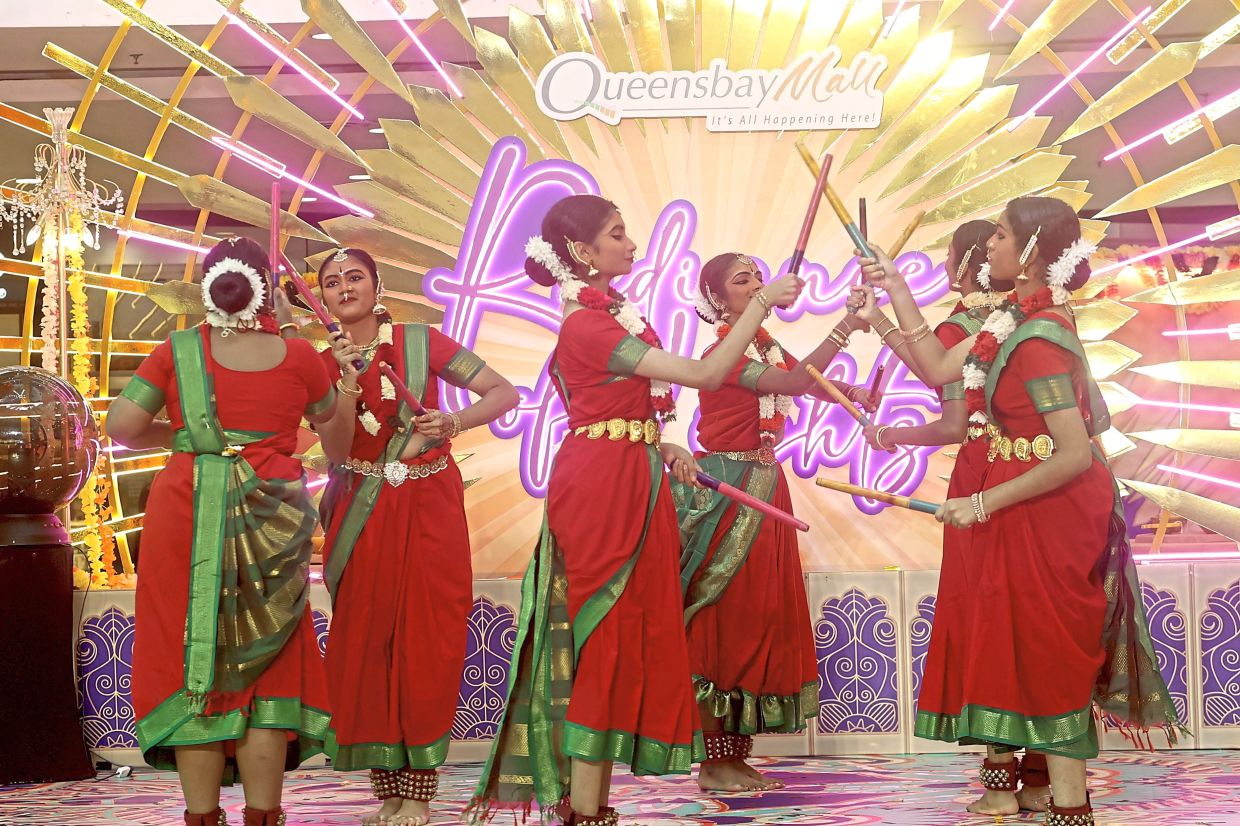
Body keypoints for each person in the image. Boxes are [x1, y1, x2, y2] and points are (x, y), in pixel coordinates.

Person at [467, 195, 802, 825]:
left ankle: (589, 801)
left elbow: (637, 402)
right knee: (601, 633)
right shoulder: (587, 326)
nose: (632, 244)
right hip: (604, 484)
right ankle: (586, 807)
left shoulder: (609, 319)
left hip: (634, 473)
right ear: (582, 253)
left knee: (623, 634)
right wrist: (759, 304)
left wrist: (667, 441)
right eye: (617, 235)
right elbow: (704, 376)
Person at [850, 196, 1182, 826]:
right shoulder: (1007, 318)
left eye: (999, 236)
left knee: (1048, 650)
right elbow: (938, 365)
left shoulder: (1037, 340)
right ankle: (1048, 797)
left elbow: (1074, 454)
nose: (989, 249)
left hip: (1046, 512)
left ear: (1030, 254)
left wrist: (981, 501)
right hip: (1017, 502)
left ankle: (1070, 807)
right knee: (1020, 646)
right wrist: (893, 288)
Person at [107, 237, 338, 826]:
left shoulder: (177, 350)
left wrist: (190, 438)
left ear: (207, 289)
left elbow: (126, 426)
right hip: (276, 513)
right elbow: (329, 414)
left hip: (187, 510)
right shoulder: (298, 354)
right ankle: (264, 816)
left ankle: (202, 816)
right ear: (266, 289)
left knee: (194, 654)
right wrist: (287, 332)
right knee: (270, 665)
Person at [309, 248, 518, 826]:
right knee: (368, 638)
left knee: (429, 636)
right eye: (332, 282)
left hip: (429, 501)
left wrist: (453, 423)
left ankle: (420, 790)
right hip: (362, 508)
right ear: (321, 298)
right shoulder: (321, 363)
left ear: (377, 287)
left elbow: (504, 394)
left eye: (355, 277)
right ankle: (389, 790)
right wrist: (345, 384)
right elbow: (334, 452)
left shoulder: (424, 343)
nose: (344, 286)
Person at [852, 222, 1053, 810]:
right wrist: (884, 308)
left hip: (989, 479)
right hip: (1036, 474)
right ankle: (1041, 776)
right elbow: (939, 368)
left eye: (998, 241)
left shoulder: (988, 323)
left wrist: (888, 432)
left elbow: (942, 393)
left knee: (988, 619)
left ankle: (1000, 782)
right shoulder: (1028, 317)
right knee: (1030, 616)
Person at [676, 252, 876, 792]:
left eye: (758, 279)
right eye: (743, 282)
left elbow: (802, 379)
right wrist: (842, 327)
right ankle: (713, 761)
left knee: (760, 619)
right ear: (717, 300)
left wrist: (851, 386)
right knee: (727, 620)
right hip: (730, 492)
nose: (757, 287)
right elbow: (791, 380)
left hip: (767, 487)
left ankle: (734, 755)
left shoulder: (761, 344)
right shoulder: (725, 349)